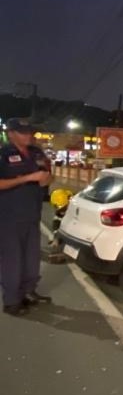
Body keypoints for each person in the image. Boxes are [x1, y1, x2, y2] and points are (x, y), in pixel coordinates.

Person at [0, 118, 53, 316]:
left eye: (30, 132)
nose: (28, 135)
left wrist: (46, 179)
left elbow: (48, 176)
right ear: (11, 133)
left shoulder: (36, 152)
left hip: (32, 214)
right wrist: (27, 178)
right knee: (12, 260)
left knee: (32, 259)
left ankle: (29, 292)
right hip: (8, 217)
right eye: (23, 132)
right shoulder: (3, 154)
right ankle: (12, 301)